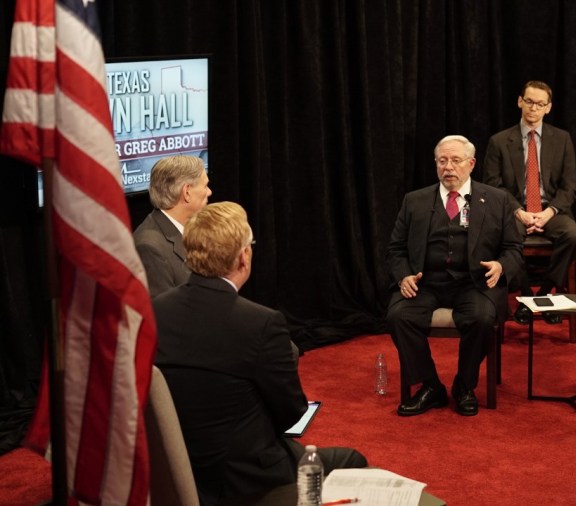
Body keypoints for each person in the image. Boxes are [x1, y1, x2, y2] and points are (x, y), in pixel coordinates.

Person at [154, 202, 366, 505]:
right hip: (244, 476)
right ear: (244, 256)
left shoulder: (156, 309)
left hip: (176, 465)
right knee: (352, 459)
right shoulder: (261, 322)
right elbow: (291, 412)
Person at [386, 135, 523, 417]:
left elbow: (513, 248)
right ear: (436, 165)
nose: (449, 167)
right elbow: (396, 249)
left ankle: (464, 384)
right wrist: (403, 277)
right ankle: (430, 386)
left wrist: (500, 266)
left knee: (483, 318)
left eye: (456, 160)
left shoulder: (497, 200)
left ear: (471, 164)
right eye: (442, 161)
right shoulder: (414, 201)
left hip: (474, 283)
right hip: (427, 283)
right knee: (399, 316)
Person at [483, 80, 576, 325]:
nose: (533, 108)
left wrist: (548, 213)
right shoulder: (499, 141)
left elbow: (569, 187)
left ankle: (544, 293)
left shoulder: (561, 139)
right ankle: (526, 295)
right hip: (514, 211)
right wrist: (520, 212)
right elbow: (493, 186)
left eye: (540, 104)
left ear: (548, 108)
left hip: (551, 211)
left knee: (574, 235)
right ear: (520, 102)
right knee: (507, 238)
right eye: (529, 102)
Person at [133, 155, 212, 297]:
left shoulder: (191, 229)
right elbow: (163, 313)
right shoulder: (149, 248)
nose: (209, 192)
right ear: (187, 192)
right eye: (205, 186)